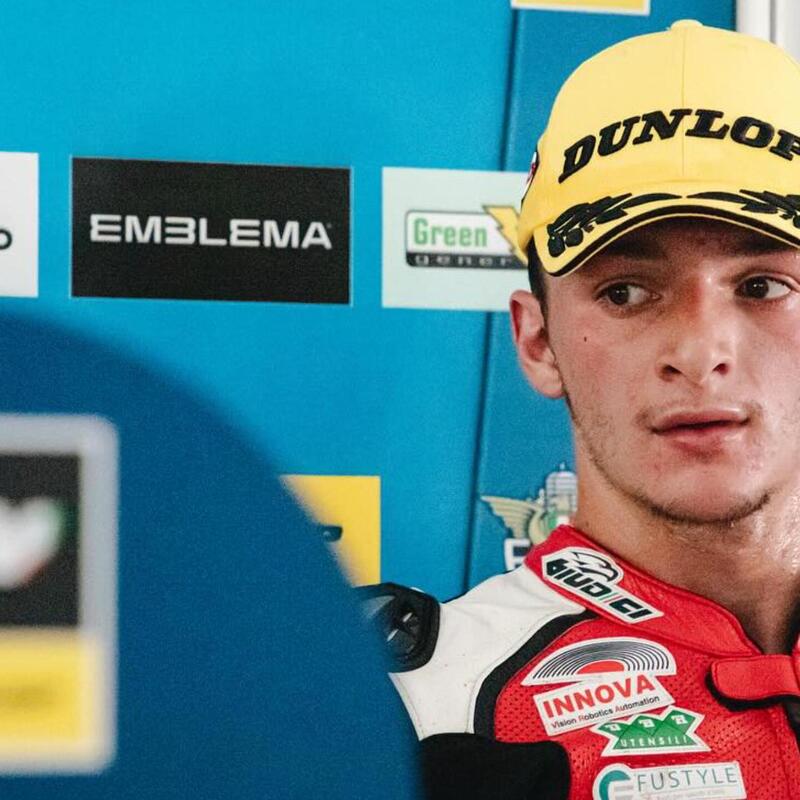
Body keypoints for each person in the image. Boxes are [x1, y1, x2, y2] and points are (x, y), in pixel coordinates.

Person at [365, 20, 800, 800]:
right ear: (537, 340)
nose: (700, 352)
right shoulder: (403, 718)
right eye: (625, 292)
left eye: (763, 285)